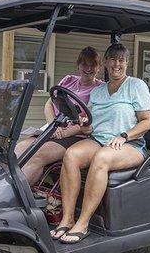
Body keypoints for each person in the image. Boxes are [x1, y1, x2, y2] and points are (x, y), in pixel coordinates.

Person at [51, 43, 150, 243]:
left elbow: (147, 121)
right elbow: (90, 124)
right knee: (71, 155)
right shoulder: (98, 91)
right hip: (99, 139)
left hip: (129, 144)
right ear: (106, 63)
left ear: (127, 63)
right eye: (113, 60)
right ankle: (67, 218)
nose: (117, 64)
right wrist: (86, 126)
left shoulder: (136, 85)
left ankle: (83, 222)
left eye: (121, 60)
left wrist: (124, 136)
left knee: (101, 158)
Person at [15, 46, 103, 185]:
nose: (88, 68)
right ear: (78, 65)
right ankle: (22, 190)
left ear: (99, 67)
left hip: (75, 136)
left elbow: (91, 121)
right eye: (85, 64)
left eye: (93, 65)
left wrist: (65, 133)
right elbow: (49, 104)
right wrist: (53, 127)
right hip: (54, 128)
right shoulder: (68, 80)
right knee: (18, 149)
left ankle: (15, 197)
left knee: (36, 155)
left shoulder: (100, 89)